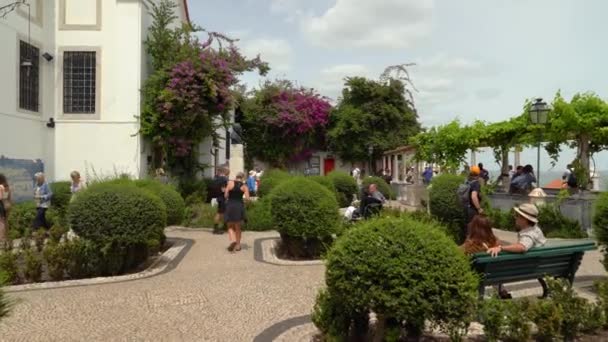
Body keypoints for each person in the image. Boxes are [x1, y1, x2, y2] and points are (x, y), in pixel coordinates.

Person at [486, 203, 547, 298]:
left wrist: (501, 247)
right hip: (536, 265)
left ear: (524, 219)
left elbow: (522, 247)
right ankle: (502, 292)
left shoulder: (528, 234)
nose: (515, 218)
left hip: (525, 268)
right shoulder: (536, 230)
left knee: (492, 267)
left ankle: (502, 293)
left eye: (518, 216)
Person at [224, 172, 250, 252]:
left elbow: (225, 195)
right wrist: (245, 202)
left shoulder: (230, 183)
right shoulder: (244, 186)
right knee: (238, 227)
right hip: (239, 206)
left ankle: (233, 241)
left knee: (229, 226)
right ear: (243, 178)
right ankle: (238, 245)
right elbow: (247, 199)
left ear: (236, 177)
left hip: (230, 205)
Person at [463, 166, 483, 239]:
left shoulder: (467, 181)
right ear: (478, 174)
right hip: (472, 209)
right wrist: (479, 208)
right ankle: (471, 244)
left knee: (468, 226)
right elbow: (474, 196)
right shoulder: (475, 183)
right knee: (473, 227)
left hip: (465, 207)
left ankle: (467, 243)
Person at [212, 167, 229, 235]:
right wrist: (227, 195)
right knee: (219, 213)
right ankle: (216, 229)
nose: (228, 174)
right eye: (228, 172)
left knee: (223, 213)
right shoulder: (224, 179)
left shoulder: (217, 179)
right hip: (222, 198)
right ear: (225, 172)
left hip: (219, 197)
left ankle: (224, 226)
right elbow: (223, 189)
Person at [0, 174, 11, 241]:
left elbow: (1, 198)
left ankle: (2, 237)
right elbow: (9, 198)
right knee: (6, 221)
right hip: (7, 205)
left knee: (2, 222)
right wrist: (10, 205)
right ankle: (6, 237)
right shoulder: (7, 187)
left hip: (2, 204)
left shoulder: (1, 187)